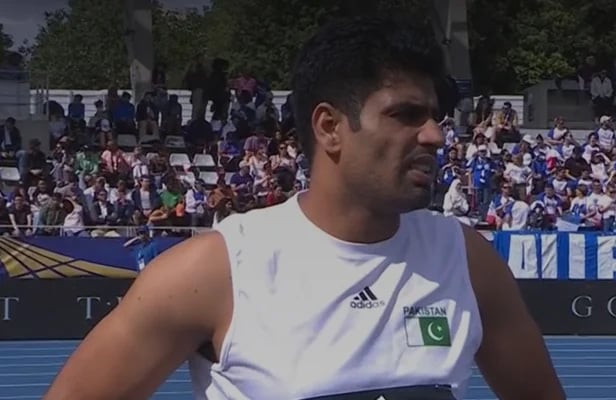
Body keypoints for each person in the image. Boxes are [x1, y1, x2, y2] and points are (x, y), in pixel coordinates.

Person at [44, 16, 564, 400]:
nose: (433, 134)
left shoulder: (467, 261)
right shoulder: (214, 271)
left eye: (434, 116)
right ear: (329, 127)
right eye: (406, 115)